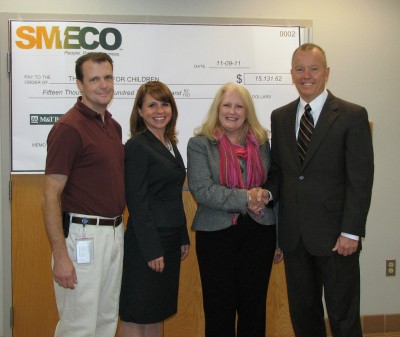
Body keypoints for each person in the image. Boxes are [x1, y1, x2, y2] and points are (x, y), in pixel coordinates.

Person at [265, 43, 374, 337]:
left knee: (343, 318)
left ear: (326, 73)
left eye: (313, 68)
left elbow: (360, 179)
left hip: (338, 238)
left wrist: (351, 231)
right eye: (299, 69)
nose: (306, 75)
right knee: (304, 316)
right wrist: (267, 194)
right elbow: (279, 172)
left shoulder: (352, 115)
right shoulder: (280, 116)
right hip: (295, 237)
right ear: (291, 74)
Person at [41, 52, 125, 337]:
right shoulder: (69, 128)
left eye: (108, 77)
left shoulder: (113, 126)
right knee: (79, 326)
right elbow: (50, 195)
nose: (103, 85)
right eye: (94, 79)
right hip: (82, 237)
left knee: (105, 321)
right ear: (79, 84)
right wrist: (60, 255)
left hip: (114, 233)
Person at [187, 82, 277, 337]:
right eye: (227, 105)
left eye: (239, 106)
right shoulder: (199, 144)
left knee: (254, 309)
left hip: (260, 234)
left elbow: (273, 184)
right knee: (218, 311)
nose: (232, 111)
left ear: (248, 111)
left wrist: (278, 232)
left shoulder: (261, 143)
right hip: (216, 235)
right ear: (218, 108)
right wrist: (247, 197)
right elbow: (203, 190)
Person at [119, 81, 190, 337]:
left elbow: (172, 195)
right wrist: (151, 250)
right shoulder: (137, 146)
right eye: (151, 105)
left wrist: (182, 236)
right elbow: (137, 202)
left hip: (169, 239)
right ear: (140, 111)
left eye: (164, 103)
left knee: (156, 311)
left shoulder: (169, 143)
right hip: (147, 243)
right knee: (136, 313)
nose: (159, 110)